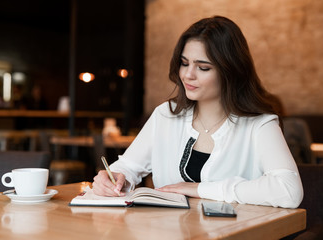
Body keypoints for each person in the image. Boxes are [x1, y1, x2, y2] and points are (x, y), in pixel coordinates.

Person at [93, 16, 303, 208]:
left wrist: (200, 190)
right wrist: (114, 177)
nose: (188, 75)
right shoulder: (166, 114)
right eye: (184, 64)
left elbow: (289, 190)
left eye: (203, 68)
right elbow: (128, 167)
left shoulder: (260, 125)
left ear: (231, 71)